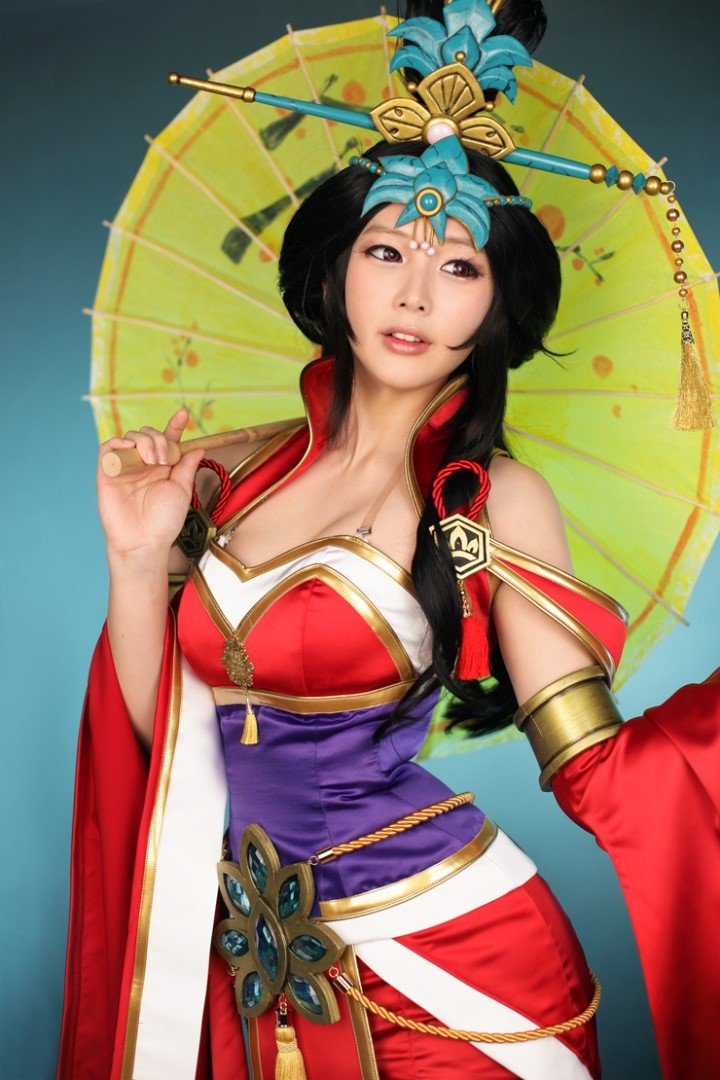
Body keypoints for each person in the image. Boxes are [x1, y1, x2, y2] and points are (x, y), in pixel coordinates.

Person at [57, 2, 720, 1078]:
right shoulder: (227, 471)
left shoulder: (491, 499)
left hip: (458, 956)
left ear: (496, 306)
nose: (414, 293)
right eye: (385, 250)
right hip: (258, 950)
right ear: (332, 275)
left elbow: (600, 770)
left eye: (458, 267)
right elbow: (167, 737)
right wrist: (137, 560)